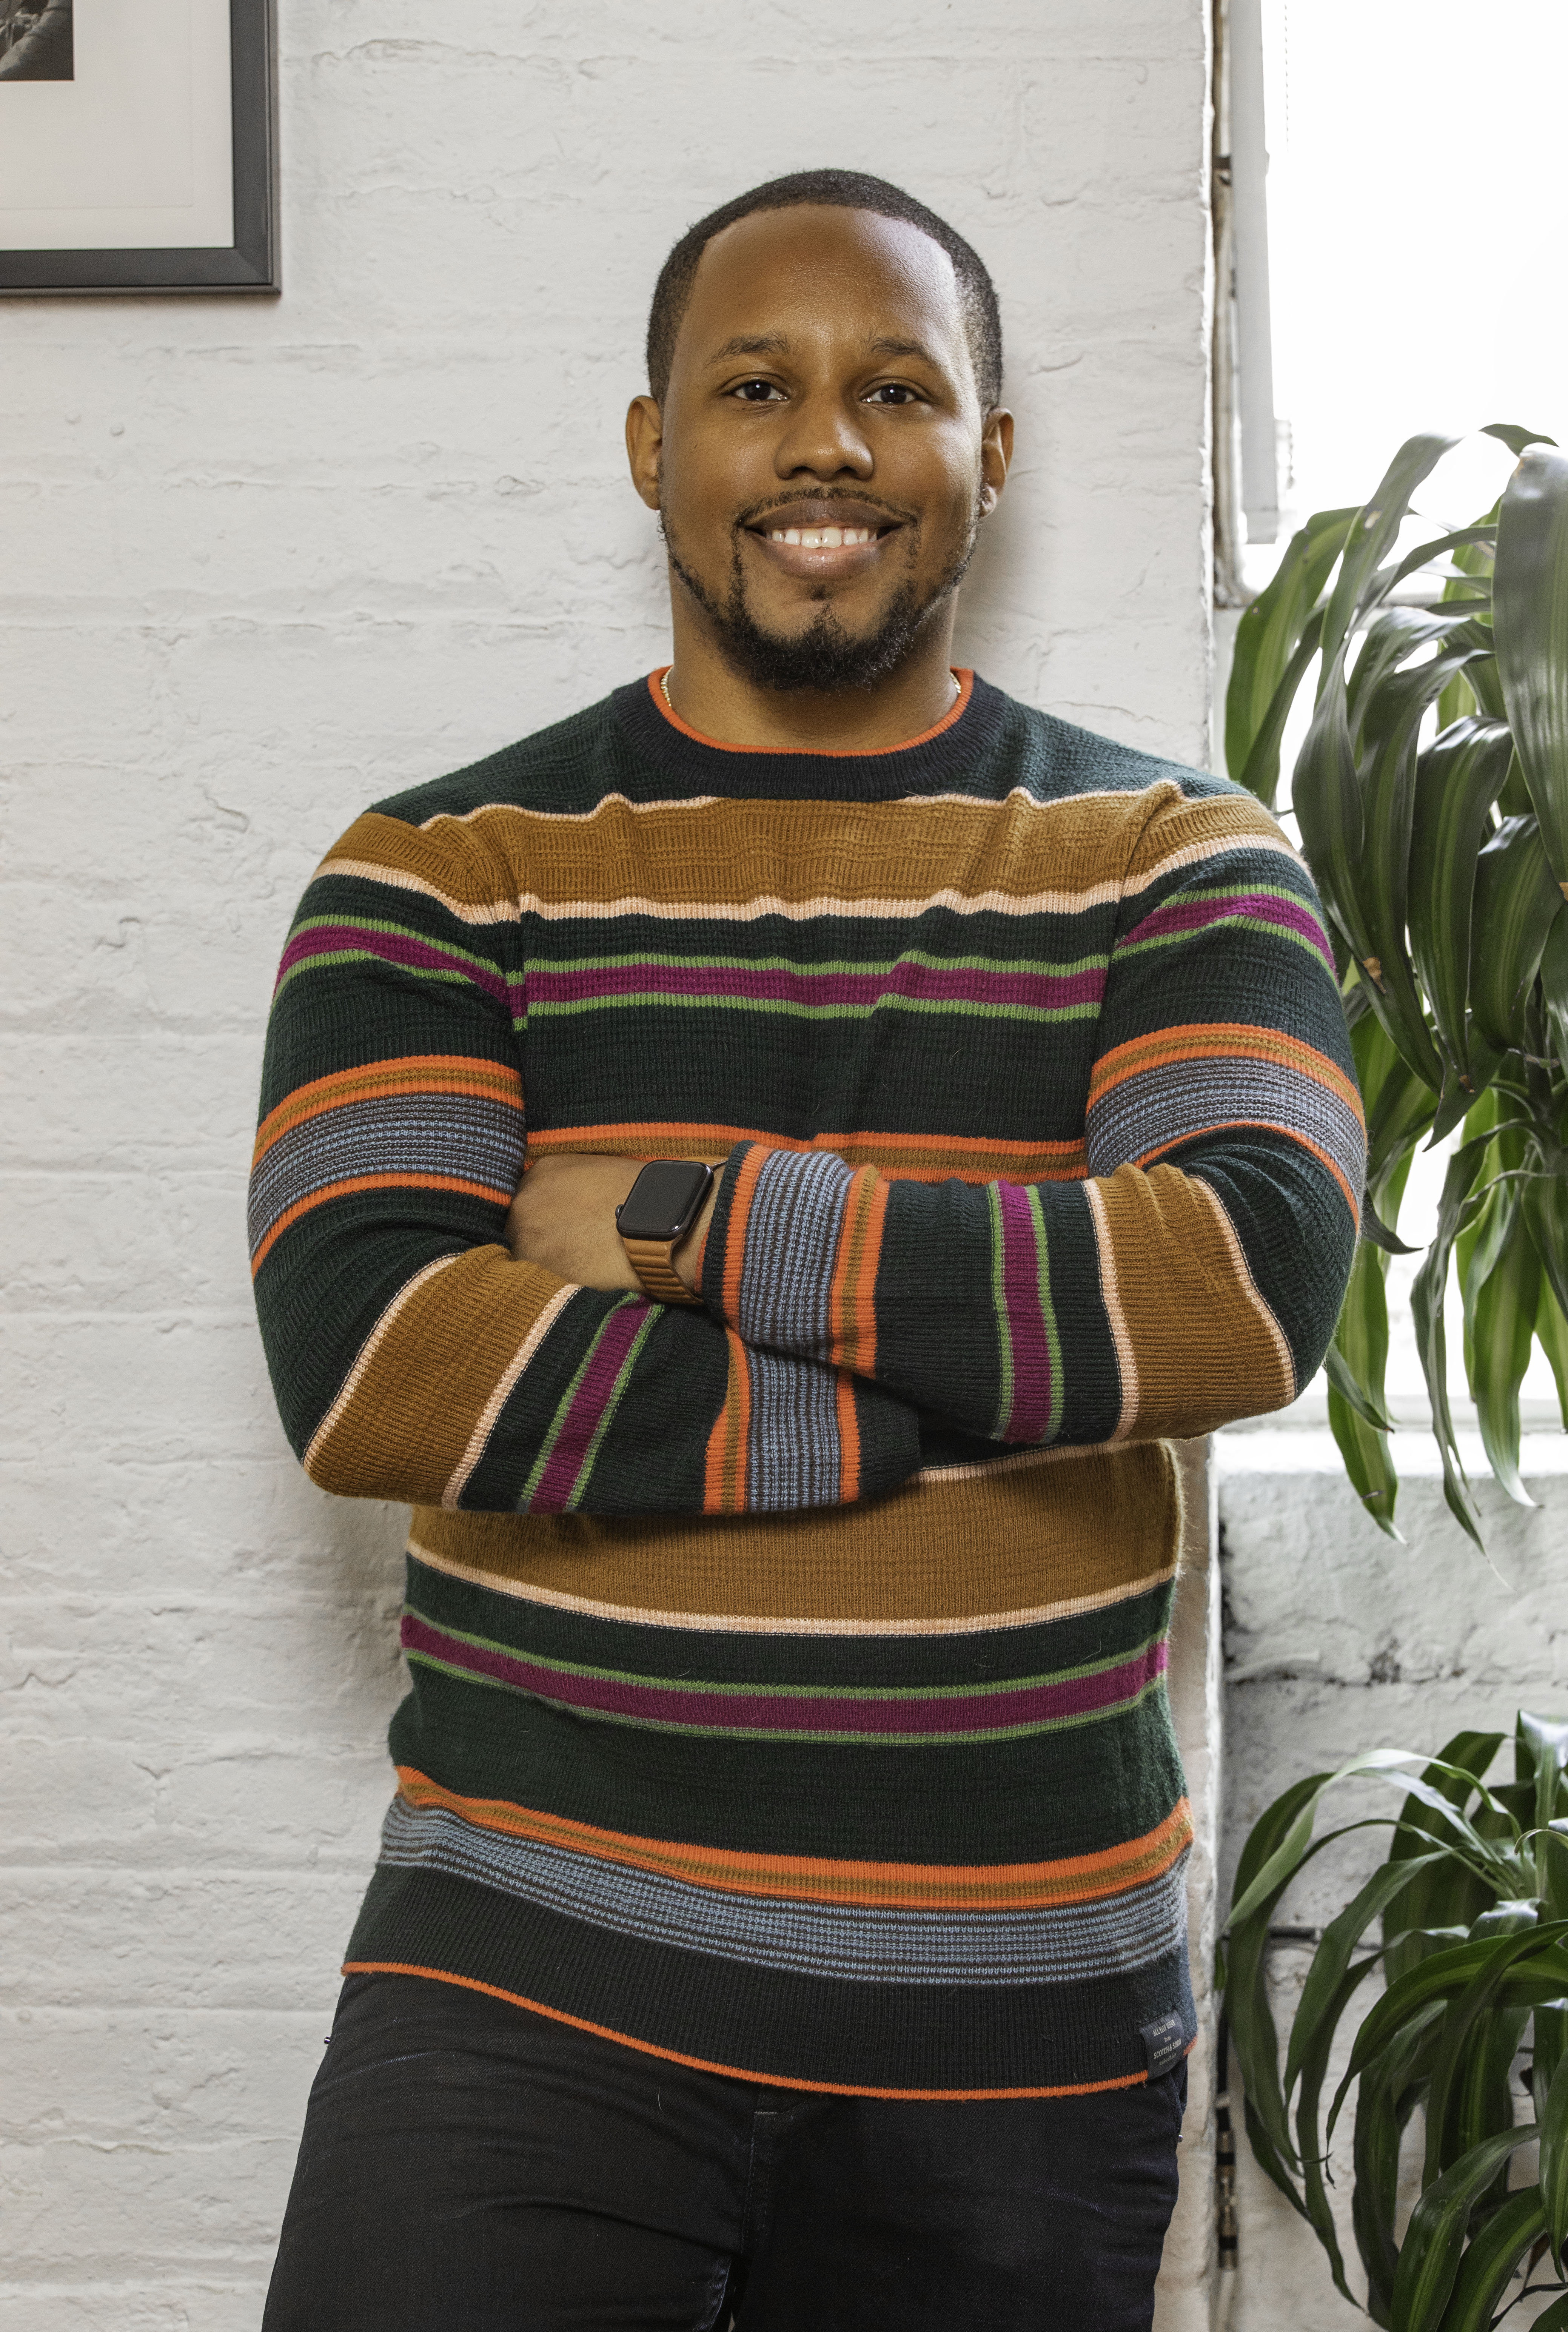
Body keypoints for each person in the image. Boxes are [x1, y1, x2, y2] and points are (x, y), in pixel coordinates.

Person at [254, 168, 1359, 2330]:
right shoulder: (443, 873)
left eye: (900, 387)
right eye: (755, 385)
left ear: (995, 455)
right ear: (655, 443)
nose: (827, 442)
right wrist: (965, 1380)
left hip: (1018, 2029)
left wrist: (689, 1218)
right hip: (526, 1985)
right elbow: (377, 1358)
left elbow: (1239, 1286)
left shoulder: (1176, 862)